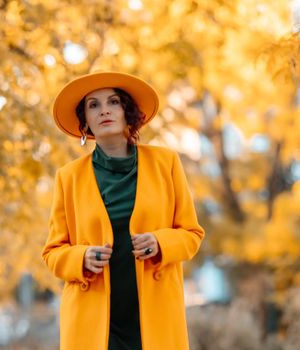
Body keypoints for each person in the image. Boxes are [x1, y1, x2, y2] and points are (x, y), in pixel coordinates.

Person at [42, 71, 205, 350]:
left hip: (155, 315)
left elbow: (192, 235)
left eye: (113, 102)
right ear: (86, 121)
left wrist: (160, 242)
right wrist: (81, 257)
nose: (104, 110)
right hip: (93, 322)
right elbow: (52, 253)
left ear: (127, 111)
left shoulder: (166, 163)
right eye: (93, 105)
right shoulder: (68, 177)